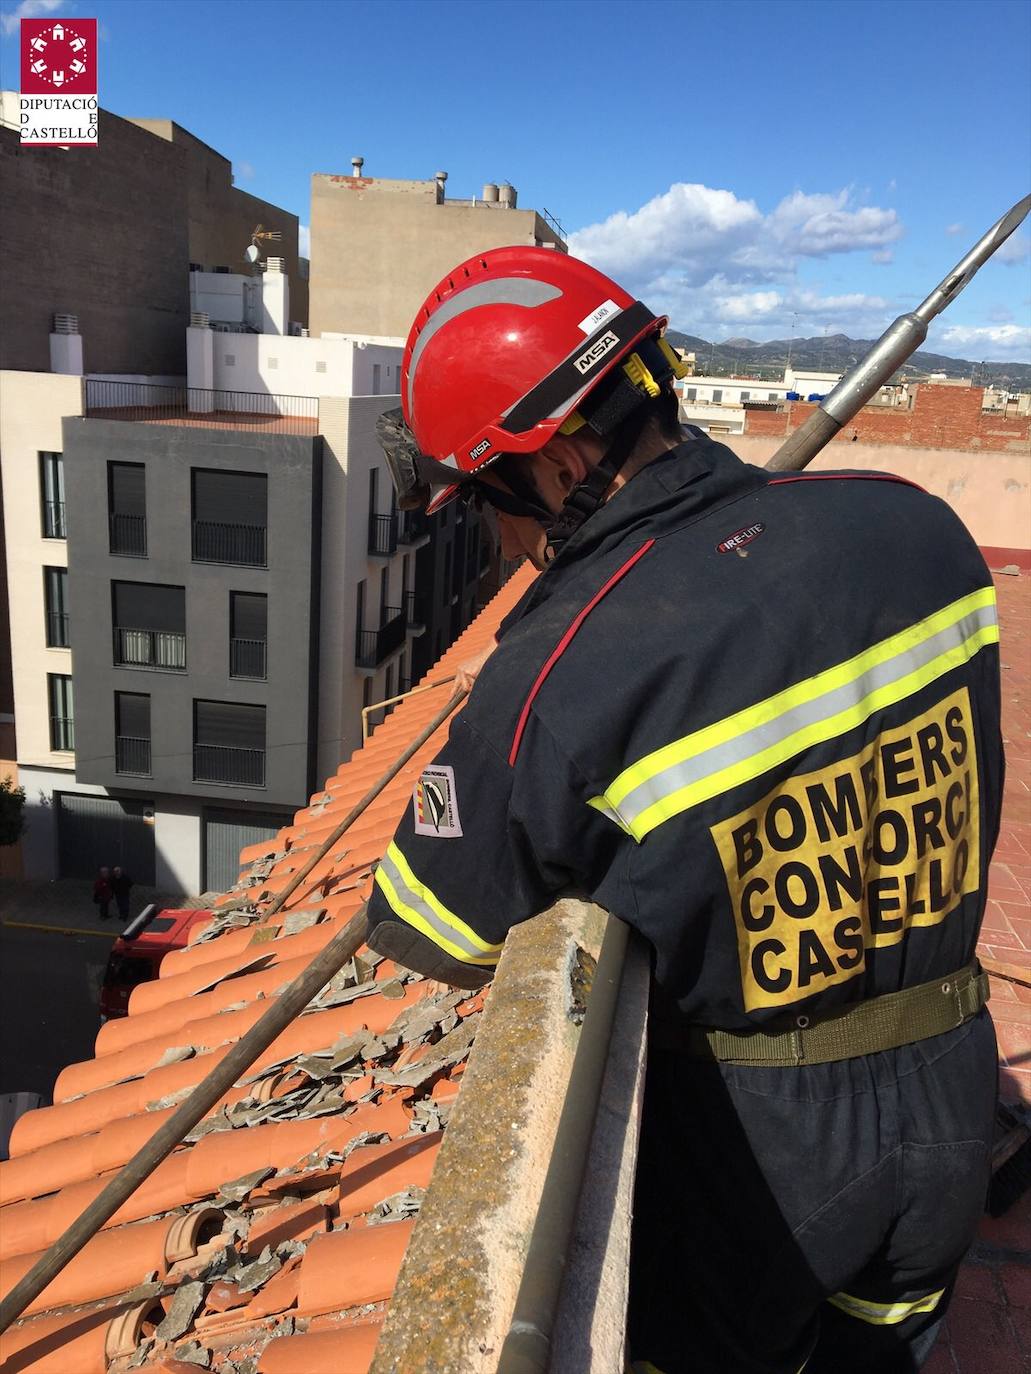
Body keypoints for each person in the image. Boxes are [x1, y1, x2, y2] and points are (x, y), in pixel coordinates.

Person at [368, 247, 1004, 1373]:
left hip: (760, 1157)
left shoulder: (559, 675)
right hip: (954, 1081)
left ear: (556, 461)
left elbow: (440, 927)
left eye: (485, 507)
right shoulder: (913, 525)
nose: (502, 543)